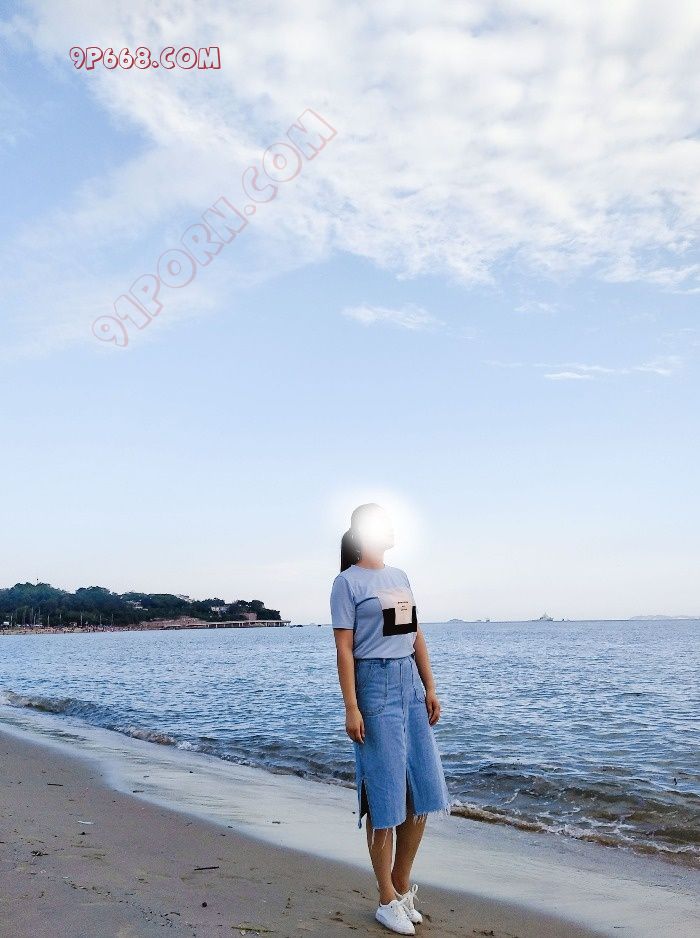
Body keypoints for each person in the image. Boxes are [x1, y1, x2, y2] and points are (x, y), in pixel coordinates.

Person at [330, 503, 452, 935]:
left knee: (423, 788)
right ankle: (385, 899)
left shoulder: (399, 576)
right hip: (374, 686)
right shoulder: (347, 583)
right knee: (384, 796)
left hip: (410, 686)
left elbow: (415, 635)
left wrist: (430, 687)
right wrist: (351, 706)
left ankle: (400, 885)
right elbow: (344, 649)